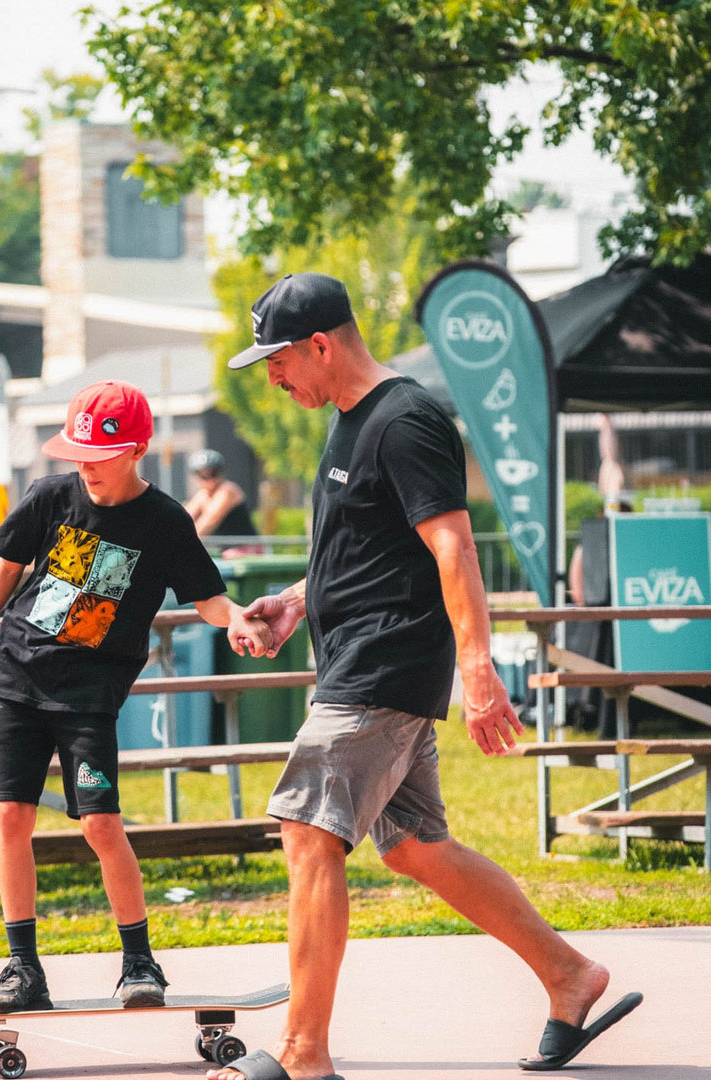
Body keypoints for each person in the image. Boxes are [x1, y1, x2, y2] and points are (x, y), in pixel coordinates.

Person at [205, 273, 641, 1080]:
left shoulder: (405, 421)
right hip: (361, 658)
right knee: (414, 845)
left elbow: (454, 549)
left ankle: (303, 1051)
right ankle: (569, 975)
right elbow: (377, 548)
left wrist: (479, 671)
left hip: (382, 667)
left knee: (308, 831)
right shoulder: (349, 422)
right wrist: (300, 600)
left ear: (322, 345)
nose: (273, 377)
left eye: (277, 360)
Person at [0, 379, 272, 1015]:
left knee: (100, 824)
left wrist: (235, 617)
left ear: (138, 450)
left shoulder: (165, 521)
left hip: (90, 695)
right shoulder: (50, 497)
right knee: (11, 816)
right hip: (17, 676)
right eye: (79, 456)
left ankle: (138, 962)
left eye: (101, 456)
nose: (87, 469)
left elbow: (206, 597)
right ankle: (22, 968)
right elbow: (6, 571)